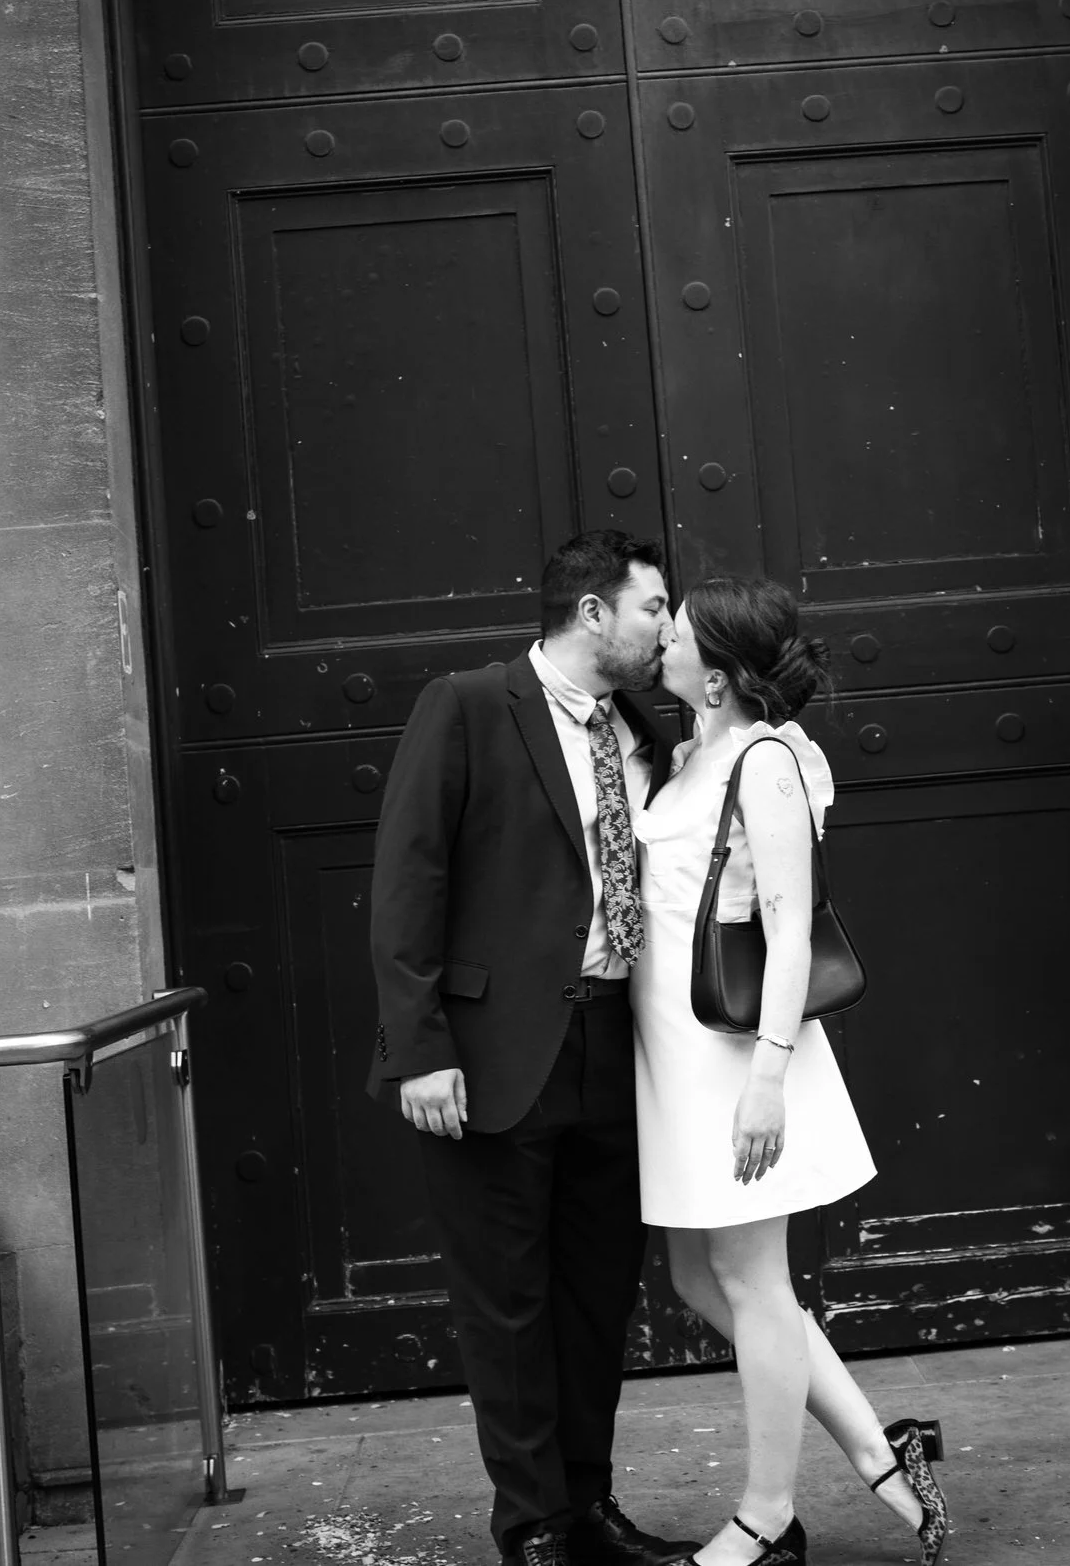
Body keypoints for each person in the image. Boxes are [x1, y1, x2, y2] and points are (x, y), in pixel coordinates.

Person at [366, 530, 698, 1566]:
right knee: (504, 1305)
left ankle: (589, 1504)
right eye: (652, 607)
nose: (664, 628)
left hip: (614, 1043)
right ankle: (534, 1525)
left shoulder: (651, 722)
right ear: (592, 611)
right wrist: (418, 1048)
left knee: (596, 1297)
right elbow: (406, 882)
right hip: (487, 1054)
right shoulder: (466, 704)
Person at [630, 577, 952, 1566]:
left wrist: (769, 1075)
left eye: (674, 634)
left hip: (738, 1060)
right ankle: (879, 1446)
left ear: (717, 673)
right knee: (698, 1271)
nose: (659, 641)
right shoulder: (690, 752)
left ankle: (765, 1515)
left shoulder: (764, 760)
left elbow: (783, 922)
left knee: (752, 1280)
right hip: (677, 1059)